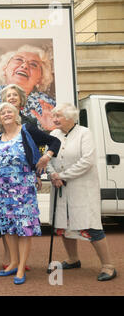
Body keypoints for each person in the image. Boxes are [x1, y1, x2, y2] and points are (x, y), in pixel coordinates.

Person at [0, 102, 60, 285]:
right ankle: (12, 262)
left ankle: (21, 267)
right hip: (2, 191)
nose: (6, 114)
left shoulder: (26, 130)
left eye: (10, 111)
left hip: (23, 190)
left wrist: (46, 157)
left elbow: (54, 141)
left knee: (24, 228)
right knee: (9, 227)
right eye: (2, 112)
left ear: (16, 114)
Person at [47, 103, 117, 281]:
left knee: (91, 227)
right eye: (54, 116)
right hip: (60, 187)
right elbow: (47, 157)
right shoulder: (53, 134)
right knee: (63, 225)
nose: (54, 119)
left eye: (58, 116)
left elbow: (87, 161)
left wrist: (63, 175)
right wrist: (52, 174)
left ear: (71, 118)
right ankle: (73, 259)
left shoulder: (85, 133)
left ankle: (108, 266)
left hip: (81, 188)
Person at [0, 44, 56, 131]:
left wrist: (52, 129)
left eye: (33, 64)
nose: (24, 66)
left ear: (40, 78)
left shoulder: (48, 104)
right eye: (19, 60)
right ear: (5, 68)